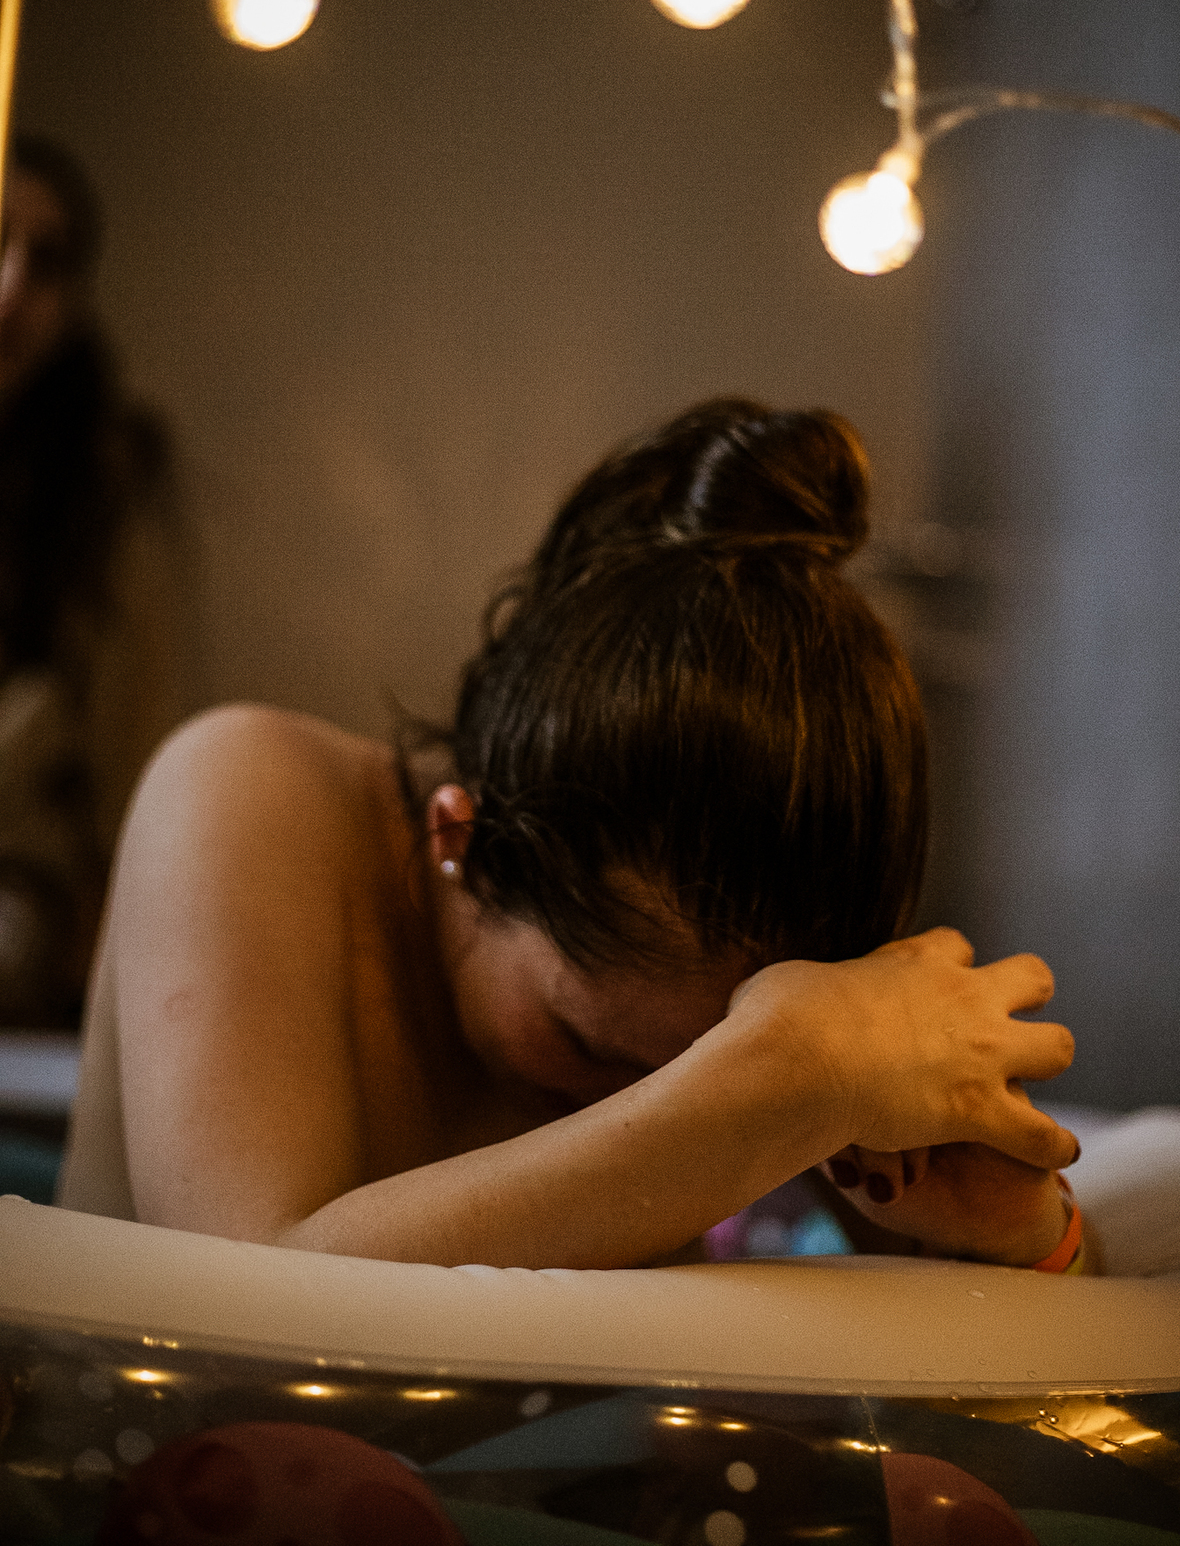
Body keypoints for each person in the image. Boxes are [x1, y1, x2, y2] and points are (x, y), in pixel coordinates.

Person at [60, 398, 1086, 1272]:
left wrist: (1017, 1232)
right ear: (460, 839)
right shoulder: (244, 787)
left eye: (694, 1064)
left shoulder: (787, 1062)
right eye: (586, 1041)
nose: (647, 1105)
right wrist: (783, 1073)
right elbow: (241, 1299)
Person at [0, 134, 188, 1028]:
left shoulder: (106, 478)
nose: (11, 289)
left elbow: (136, 714)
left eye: (46, 263)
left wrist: (111, 895)